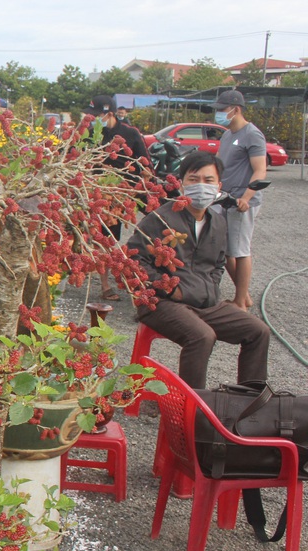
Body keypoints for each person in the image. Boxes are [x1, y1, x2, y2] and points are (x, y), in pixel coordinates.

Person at [127, 150, 270, 389]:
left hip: (205, 303)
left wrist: (210, 289)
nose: (201, 186)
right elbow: (134, 262)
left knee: (258, 331)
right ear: (182, 184)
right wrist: (171, 291)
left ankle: (249, 403)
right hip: (161, 303)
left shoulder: (218, 222)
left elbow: (218, 264)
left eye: (208, 180)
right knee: (201, 336)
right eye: (194, 180)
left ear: (219, 186)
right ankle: (190, 409)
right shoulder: (160, 220)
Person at [83, 94, 151, 301]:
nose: (93, 118)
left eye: (96, 115)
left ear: (109, 114)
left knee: (148, 231)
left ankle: (143, 280)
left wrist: (141, 189)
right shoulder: (91, 133)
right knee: (104, 240)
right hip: (100, 195)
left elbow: (145, 166)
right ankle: (105, 286)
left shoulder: (130, 134)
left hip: (125, 194)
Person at [211, 89, 267, 310]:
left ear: (236, 109)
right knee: (224, 250)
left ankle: (240, 303)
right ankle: (244, 296)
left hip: (242, 202)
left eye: (222, 110)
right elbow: (219, 165)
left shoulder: (252, 135)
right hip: (224, 199)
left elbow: (260, 170)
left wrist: (246, 197)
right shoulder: (227, 135)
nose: (219, 114)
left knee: (240, 250)